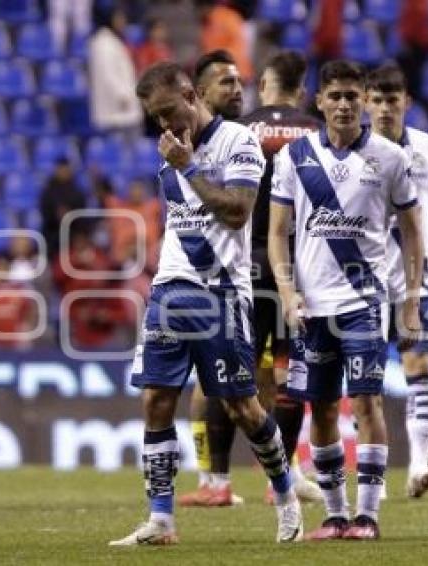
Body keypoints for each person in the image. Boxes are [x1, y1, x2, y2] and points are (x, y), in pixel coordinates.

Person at [109, 62, 302, 546]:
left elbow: (237, 213)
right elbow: (182, 224)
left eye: (171, 112)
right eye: (156, 118)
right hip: (172, 289)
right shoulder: (169, 155)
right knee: (154, 399)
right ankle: (161, 519)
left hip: (222, 293)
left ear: (193, 95)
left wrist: (188, 167)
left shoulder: (237, 142)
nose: (166, 126)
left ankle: (286, 497)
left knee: (243, 408)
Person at [269, 60, 424, 541]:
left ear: (363, 101)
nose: (343, 104)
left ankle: (369, 515)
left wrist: (412, 297)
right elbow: (277, 233)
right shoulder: (294, 157)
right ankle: (335, 515)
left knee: (366, 401)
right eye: (333, 96)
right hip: (312, 306)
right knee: (322, 406)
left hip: (365, 301)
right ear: (318, 102)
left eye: (351, 96)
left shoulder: (390, 157)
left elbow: (414, 230)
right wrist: (288, 292)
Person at [365, 64, 428, 498]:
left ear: (407, 102)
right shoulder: (352, 152)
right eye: (378, 100)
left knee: (420, 368)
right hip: (363, 279)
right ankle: (373, 477)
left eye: (393, 100)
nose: (386, 108)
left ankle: (420, 466)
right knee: (363, 381)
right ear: (366, 102)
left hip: (419, 278)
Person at [239, 50, 323, 504]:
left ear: (264, 85)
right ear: (302, 90)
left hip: (249, 258)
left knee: (251, 369)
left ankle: (266, 467)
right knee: (296, 368)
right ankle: (289, 468)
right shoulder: (316, 131)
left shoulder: (243, 128)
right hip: (302, 261)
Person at [176, 48, 247, 507]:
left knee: (256, 384)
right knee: (208, 384)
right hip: (207, 277)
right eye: (226, 82)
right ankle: (212, 481)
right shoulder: (177, 145)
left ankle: (285, 480)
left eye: (240, 81)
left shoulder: (244, 137)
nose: (237, 89)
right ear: (200, 93)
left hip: (254, 270)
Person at [88, 6, 142, 140]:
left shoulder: (114, 40)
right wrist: (123, 96)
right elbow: (108, 75)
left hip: (124, 111)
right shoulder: (103, 43)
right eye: (119, 18)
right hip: (116, 111)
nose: (123, 21)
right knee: (118, 153)